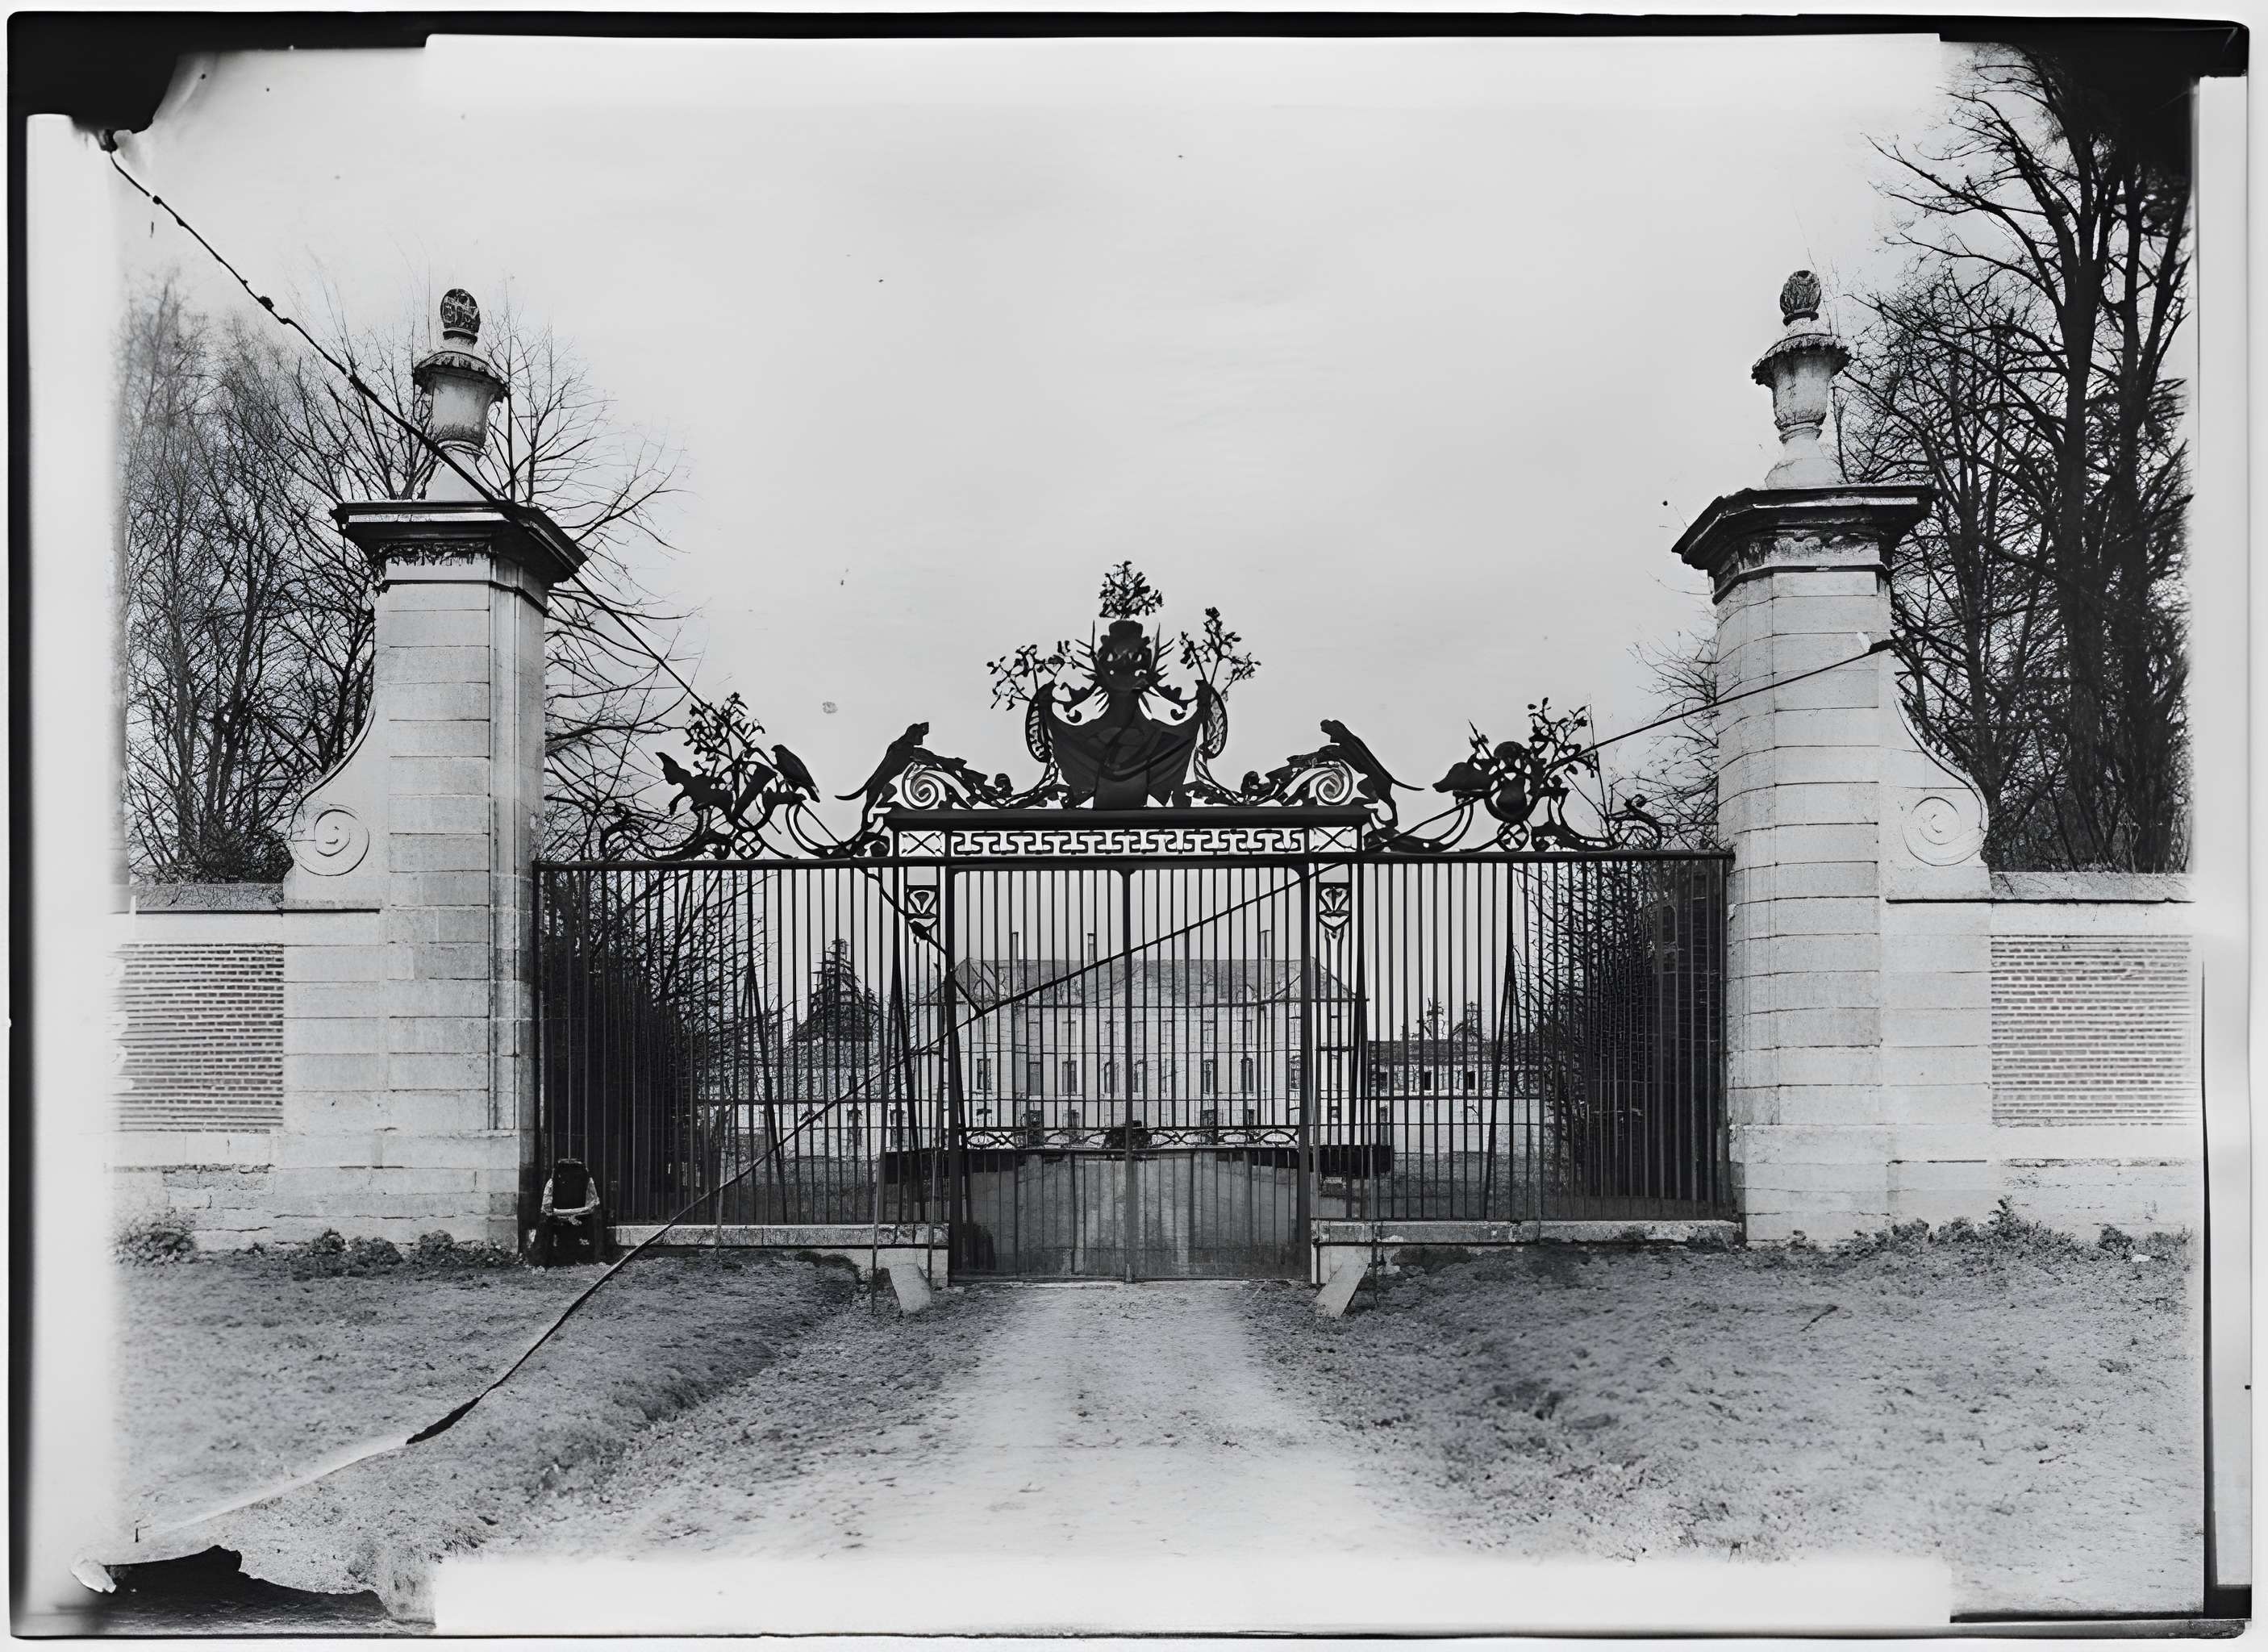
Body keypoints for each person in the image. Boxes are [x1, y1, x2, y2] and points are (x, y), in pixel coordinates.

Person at [533, 1158, 602, 1265]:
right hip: (559, 1216)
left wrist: (574, 1214)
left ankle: (599, 1258)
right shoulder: (552, 1183)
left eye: (575, 1173)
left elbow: (593, 1205)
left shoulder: (588, 1181)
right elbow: (546, 1208)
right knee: (544, 1222)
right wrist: (564, 1215)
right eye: (565, 1172)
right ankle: (540, 1261)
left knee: (598, 1218)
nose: (570, 1176)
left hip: (581, 1215)